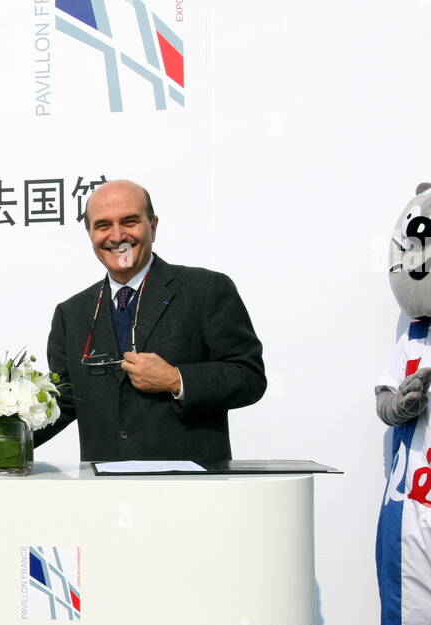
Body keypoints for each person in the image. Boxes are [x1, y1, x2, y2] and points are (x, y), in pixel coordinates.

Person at [38, 179, 265, 463]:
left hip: (192, 487)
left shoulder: (206, 289)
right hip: (104, 492)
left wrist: (175, 379)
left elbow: (249, 377)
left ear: (153, 226)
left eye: (130, 221)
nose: (117, 235)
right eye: (103, 225)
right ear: (90, 234)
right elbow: (62, 403)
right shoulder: (71, 314)